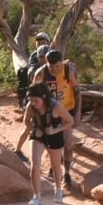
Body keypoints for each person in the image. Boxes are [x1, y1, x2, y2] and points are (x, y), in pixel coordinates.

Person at [15, 82, 75, 205]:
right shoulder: (31, 107)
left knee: (56, 166)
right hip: (38, 134)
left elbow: (70, 121)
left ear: (44, 97)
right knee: (35, 165)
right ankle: (37, 196)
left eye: (36, 100)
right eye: (31, 100)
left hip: (55, 135)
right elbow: (26, 121)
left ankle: (58, 190)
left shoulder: (56, 106)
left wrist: (55, 130)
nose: (33, 103)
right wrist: (33, 129)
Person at [35, 48, 81, 191]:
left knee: (68, 144)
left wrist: (78, 113)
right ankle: (53, 165)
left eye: (58, 66)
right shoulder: (40, 74)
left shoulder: (69, 71)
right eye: (52, 67)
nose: (55, 70)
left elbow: (78, 92)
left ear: (62, 63)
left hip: (67, 111)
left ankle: (67, 173)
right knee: (52, 143)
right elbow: (34, 96)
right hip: (50, 113)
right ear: (46, 63)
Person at [13, 30, 53, 162]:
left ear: (48, 43)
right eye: (38, 42)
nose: (40, 45)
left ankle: (52, 155)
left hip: (46, 100)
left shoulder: (52, 57)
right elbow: (32, 74)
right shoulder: (34, 59)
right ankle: (19, 150)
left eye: (43, 42)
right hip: (34, 99)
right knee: (32, 126)